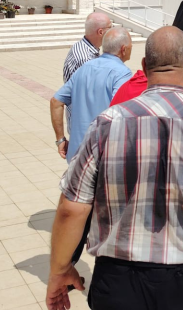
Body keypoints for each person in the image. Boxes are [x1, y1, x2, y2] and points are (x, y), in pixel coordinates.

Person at [45, 26, 183, 310]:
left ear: (145, 67)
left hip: (121, 284)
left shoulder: (107, 124)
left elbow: (71, 209)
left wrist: (60, 269)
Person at [50, 26, 133, 264]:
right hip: (104, 158)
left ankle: (65, 266)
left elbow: (56, 101)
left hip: (78, 154)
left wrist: (60, 138)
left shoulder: (84, 68)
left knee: (78, 216)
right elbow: (121, 113)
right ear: (124, 49)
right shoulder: (122, 75)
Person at [62, 12, 113, 128]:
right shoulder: (86, 59)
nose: (112, 31)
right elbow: (92, 95)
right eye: (110, 27)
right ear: (101, 32)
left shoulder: (84, 48)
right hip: (84, 122)